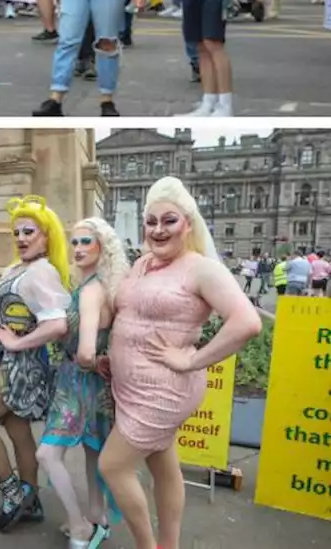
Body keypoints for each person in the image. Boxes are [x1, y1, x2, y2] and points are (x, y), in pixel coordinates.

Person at [99, 177, 262, 549]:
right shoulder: (142, 264)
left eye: (169, 220)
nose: (158, 229)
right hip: (131, 386)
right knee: (161, 458)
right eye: (151, 221)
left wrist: (191, 361)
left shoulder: (201, 269)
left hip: (164, 390)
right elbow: (134, 315)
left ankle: (148, 546)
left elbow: (247, 322)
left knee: (113, 465)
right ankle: (169, 545)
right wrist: (113, 352)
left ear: (188, 223)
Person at [0, 196, 71, 532]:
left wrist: (17, 343)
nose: (22, 238)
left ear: (47, 236)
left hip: (23, 367)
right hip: (11, 362)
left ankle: (13, 493)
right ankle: (31, 497)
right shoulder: (19, 268)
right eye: (18, 232)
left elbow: (57, 324)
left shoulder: (42, 272)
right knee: (15, 428)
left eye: (30, 232)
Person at [37, 218, 128, 549]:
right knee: (93, 453)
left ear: (102, 247)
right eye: (74, 242)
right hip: (97, 387)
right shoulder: (102, 285)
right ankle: (96, 517)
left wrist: (84, 358)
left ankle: (79, 525)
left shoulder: (90, 291)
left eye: (85, 242)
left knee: (47, 454)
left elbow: (88, 350)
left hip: (78, 382)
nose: (77, 249)